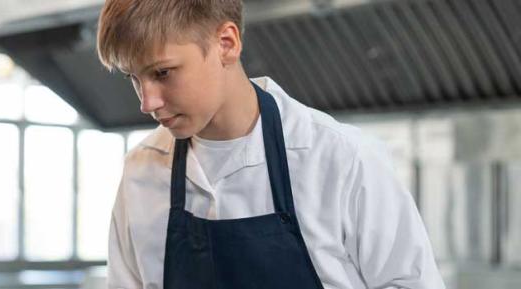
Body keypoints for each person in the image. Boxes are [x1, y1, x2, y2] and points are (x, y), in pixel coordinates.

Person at [96, 0, 445, 288]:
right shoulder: (142, 171)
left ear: (226, 44)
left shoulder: (337, 157)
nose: (147, 102)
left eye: (162, 73)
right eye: (134, 78)